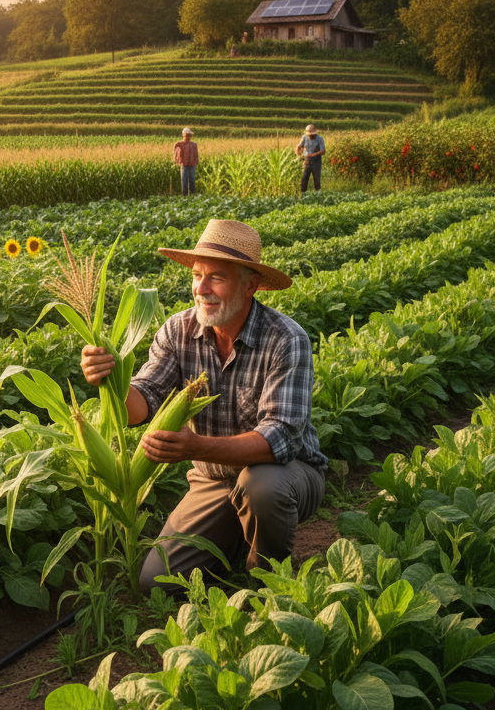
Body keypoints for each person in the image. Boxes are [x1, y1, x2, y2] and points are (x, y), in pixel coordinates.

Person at [80, 219, 327, 592]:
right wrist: (111, 378)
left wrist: (194, 447)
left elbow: (280, 441)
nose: (201, 288)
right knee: (156, 583)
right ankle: (233, 540)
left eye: (217, 277)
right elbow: (140, 405)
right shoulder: (177, 330)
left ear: (251, 285)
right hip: (212, 481)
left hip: (286, 474)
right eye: (197, 275)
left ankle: (271, 579)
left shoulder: (286, 338)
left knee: (261, 487)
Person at [295, 123, 325, 193]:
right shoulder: (304, 137)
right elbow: (300, 146)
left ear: (315, 134)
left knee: (316, 180)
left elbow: (322, 151)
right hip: (306, 161)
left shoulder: (320, 139)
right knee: (304, 179)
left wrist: (311, 155)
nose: (310, 136)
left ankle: (318, 194)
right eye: (309, 135)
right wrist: (298, 150)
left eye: (312, 135)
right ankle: (303, 194)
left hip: (316, 162)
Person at [173, 126, 198, 195]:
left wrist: (196, 163)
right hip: (184, 164)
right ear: (183, 135)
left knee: (192, 180)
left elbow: (196, 155)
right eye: (187, 135)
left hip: (192, 164)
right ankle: (184, 196)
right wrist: (176, 157)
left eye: (190, 135)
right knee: (184, 181)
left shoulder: (194, 144)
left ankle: (193, 195)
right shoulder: (180, 144)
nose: (188, 137)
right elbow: (175, 147)